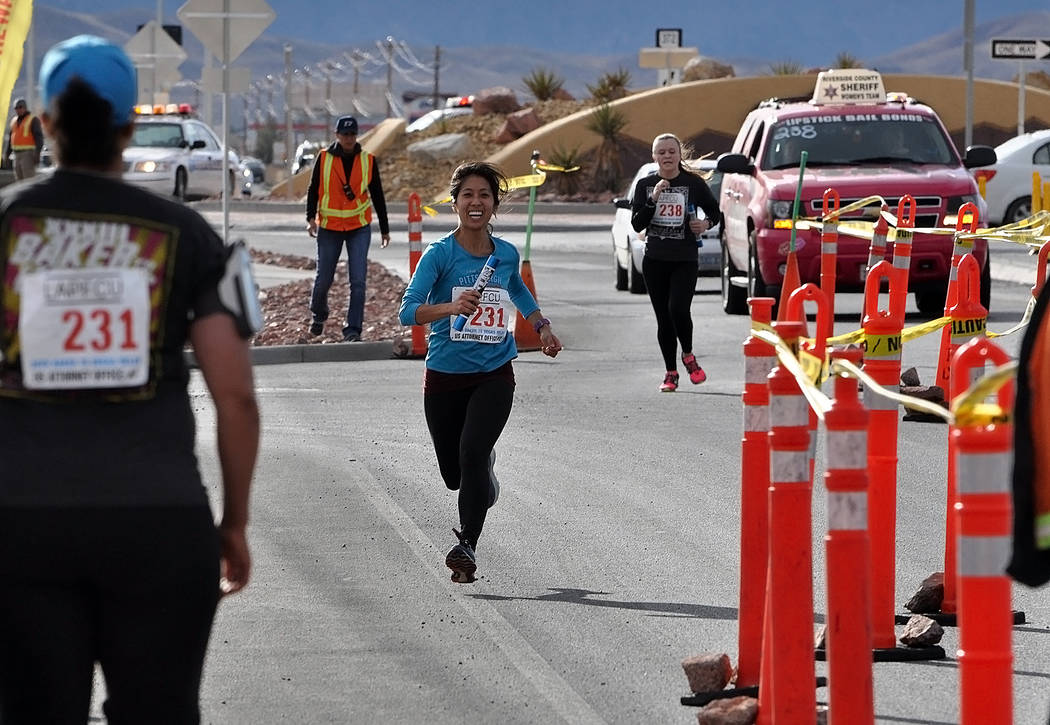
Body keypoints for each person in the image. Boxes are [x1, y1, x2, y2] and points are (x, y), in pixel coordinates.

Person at [0, 35, 260, 721]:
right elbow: (234, 394)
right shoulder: (189, 235)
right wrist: (232, 521)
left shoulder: (5, 227)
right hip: (158, 525)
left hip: (19, 524)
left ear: (46, 124)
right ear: (127, 127)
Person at [398, 161, 562, 584]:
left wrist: (541, 326)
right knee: (456, 475)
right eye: (467, 195)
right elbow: (407, 311)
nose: (476, 202)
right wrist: (451, 307)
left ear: (494, 204)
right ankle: (484, 476)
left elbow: (517, 289)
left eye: (484, 195)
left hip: (495, 372)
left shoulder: (505, 254)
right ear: (455, 203)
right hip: (444, 376)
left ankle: (466, 545)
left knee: (471, 450)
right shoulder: (440, 255)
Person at [631, 132, 720, 392]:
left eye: (672, 151)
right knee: (663, 318)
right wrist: (653, 199)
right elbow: (637, 223)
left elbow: (715, 212)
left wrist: (705, 223)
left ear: (680, 154)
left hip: (685, 258)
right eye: (662, 152)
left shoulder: (693, 183)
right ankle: (671, 373)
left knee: (678, 309)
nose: (667, 156)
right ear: (654, 157)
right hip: (655, 259)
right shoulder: (646, 185)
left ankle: (688, 356)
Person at [305, 115, 391, 342]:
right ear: (337, 136)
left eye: (352, 134)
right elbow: (313, 189)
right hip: (329, 227)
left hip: (358, 227)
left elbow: (378, 196)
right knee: (324, 278)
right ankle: (319, 313)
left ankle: (353, 330)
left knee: (358, 281)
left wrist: (384, 228)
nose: (349, 139)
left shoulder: (368, 160)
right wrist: (310, 218)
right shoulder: (323, 159)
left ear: (357, 136)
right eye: (345, 135)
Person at [2, 98, 44, 179]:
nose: (18, 109)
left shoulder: (33, 119)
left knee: (29, 179)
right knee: (19, 179)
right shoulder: (14, 121)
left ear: (25, 107)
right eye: (16, 108)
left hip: (28, 154)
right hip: (16, 155)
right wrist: (7, 154)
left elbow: (39, 138)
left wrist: (37, 153)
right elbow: (11, 139)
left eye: (20, 107)